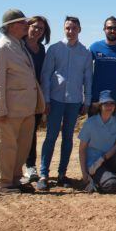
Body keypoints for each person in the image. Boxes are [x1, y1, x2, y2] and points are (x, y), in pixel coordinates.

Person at [0, 9, 45, 194]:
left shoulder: (19, 45)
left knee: (21, 148)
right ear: (11, 26)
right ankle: (2, 184)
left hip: (26, 109)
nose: (27, 26)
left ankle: (15, 180)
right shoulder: (1, 48)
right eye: (23, 23)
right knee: (6, 147)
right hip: (9, 109)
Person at [37, 16, 93, 191]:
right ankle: (44, 174)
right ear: (64, 29)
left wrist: (87, 100)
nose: (71, 31)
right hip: (55, 99)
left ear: (79, 30)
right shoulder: (54, 49)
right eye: (68, 28)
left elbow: (88, 79)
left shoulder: (85, 52)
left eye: (74, 28)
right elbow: (46, 75)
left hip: (74, 101)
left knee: (68, 139)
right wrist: (46, 99)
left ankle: (62, 174)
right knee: (51, 137)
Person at [78, 90, 116, 193]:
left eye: (112, 103)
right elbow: (82, 150)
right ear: (100, 106)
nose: (109, 106)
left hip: (109, 159)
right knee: (111, 185)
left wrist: (103, 158)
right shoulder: (90, 123)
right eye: (106, 103)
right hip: (94, 165)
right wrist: (84, 174)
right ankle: (96, 180)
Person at [23, 15, 50, 183]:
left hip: (37, 96)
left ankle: (30, 165)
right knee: (21, 132)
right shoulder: (19, 46)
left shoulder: (41, 50)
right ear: (28, 27)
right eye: (35, 27)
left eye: (41, 28)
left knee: (31, 131)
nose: (37, 31)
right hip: (21, 96)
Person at [89, 16, 116, 110]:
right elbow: (84, 69)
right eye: (109, 28)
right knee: (94, 124)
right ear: (104, 29)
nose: (112, 30)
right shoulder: (95, 47)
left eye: (115, 28)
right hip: (97, 97)